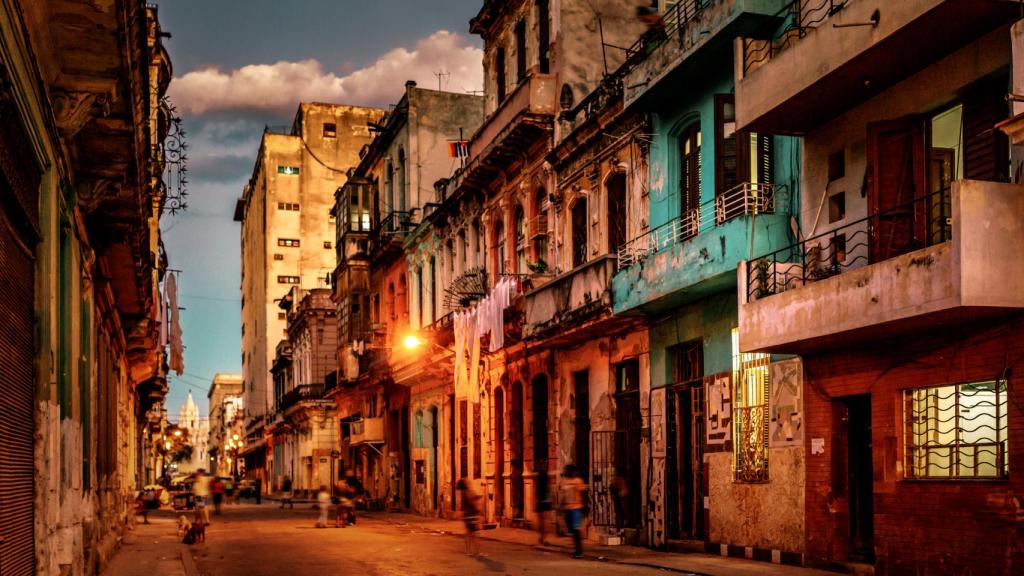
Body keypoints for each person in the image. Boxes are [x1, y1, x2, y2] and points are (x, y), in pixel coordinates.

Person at [560, 464, 587, 559]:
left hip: (576, 508)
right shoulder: (565, 482)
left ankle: (579, 551)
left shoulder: (578, 481)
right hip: (568, 509)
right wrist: (561, 506)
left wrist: (584, 507)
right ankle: (577, 548)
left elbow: (583, 494)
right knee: (571, 529)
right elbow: (564, 495)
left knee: (575, 529)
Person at [457, 478, 482, 556]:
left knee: (469, 533)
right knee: (474, 533)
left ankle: (468, 551)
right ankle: (476, 552)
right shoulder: (467, 492)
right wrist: (477, 510)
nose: (469, 482)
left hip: (467, 514)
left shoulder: (464, 492)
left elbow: (470, 499)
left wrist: (476, 497)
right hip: (471, 514)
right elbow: (471, 501)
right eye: (467, 482)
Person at [535, 467, 553, 545]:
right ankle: (545, 538)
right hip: (547, 503)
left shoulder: (538, 483)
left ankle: (542, 537)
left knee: (541, 522)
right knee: (546, 522)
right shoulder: (547, 483)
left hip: (540, 502)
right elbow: (550, 492)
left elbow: (536, 493)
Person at [610, 468, 628, 535]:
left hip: (618, 499)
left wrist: (613, 495)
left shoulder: (615, 480)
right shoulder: (621, 480)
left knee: (618, 514)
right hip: (621, 499)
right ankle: (621, 528)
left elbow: (611, 488)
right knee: (621, 513)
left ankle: (620, 528)